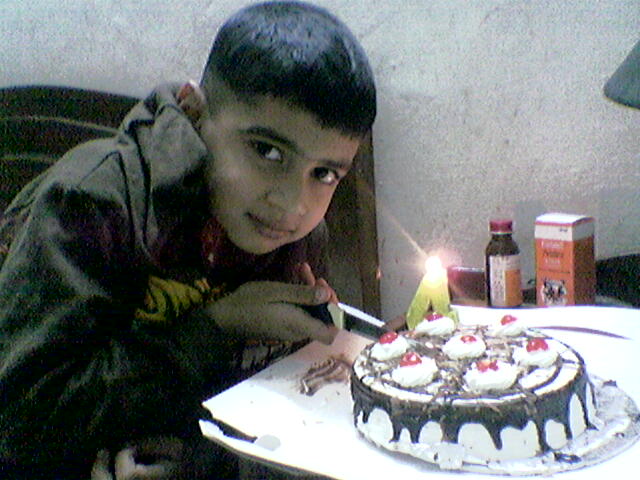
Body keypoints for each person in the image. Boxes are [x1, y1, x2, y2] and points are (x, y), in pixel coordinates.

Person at [0, 1, 376, 478]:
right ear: (194, 110)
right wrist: (218, 326)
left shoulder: (296, 237)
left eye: (323, 174)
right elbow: (21, 417)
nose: (292, 203)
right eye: (267, 151)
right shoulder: (95, 201)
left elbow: (260, 407)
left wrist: (203, 461)